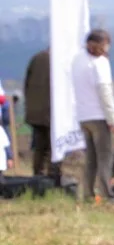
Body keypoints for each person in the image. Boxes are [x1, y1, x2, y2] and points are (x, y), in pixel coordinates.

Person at [72, 29, 114, 203]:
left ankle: (88, 194)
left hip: (83, 116)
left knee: (91, 159)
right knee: (105, 159)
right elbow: (105, 93)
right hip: (99, 117)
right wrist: (113, 120)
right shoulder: (100, 63)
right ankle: (107, 196)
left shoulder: (77, 60)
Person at [23, 48, 61, 184]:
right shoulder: (59, 60)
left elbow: (26, 84)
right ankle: (53, 179)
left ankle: (37, 177)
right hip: (52, 112)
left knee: (39, 147)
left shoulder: (37, 58)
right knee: (55, 147)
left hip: (35, 111)